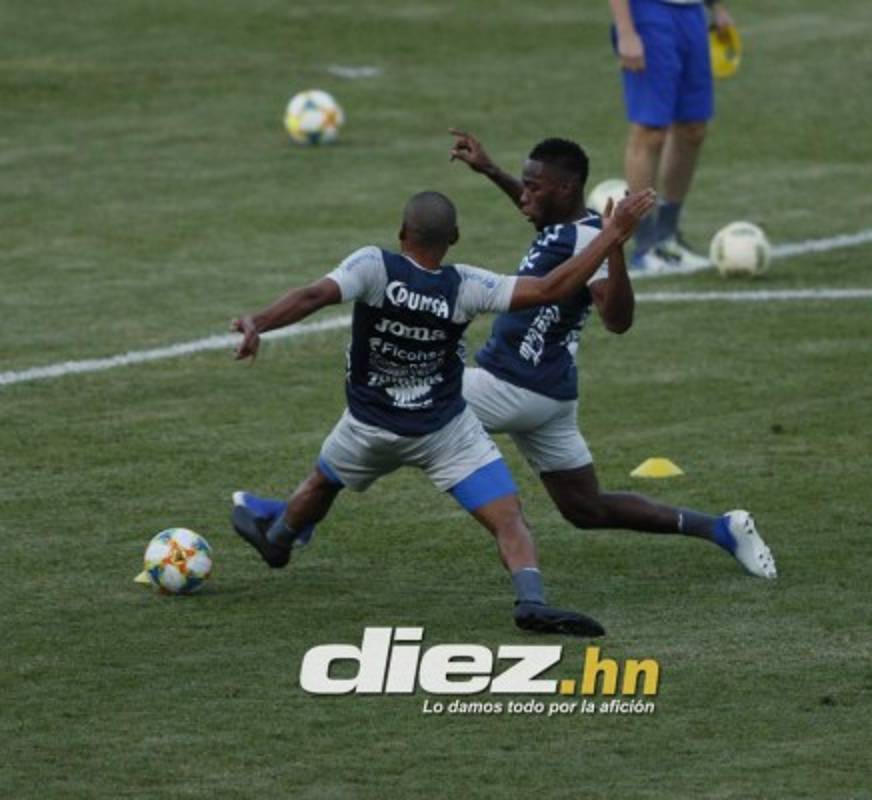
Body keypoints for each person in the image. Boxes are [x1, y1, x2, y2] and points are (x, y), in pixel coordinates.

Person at [227, 188, 656, 637]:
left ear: (401, 232)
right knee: (508, 518)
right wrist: (611, 237)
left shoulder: (374, 265)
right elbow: (553, 288)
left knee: (323, 480)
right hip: (445, 432)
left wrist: (259, 322)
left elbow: (314, 295)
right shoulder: (465, 286)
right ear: (454, 236)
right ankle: (531, 601)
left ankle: (278, 542)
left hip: (368, 426)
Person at [447, 130, 776, 579]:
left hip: (511, 385)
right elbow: (538, 210)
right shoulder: (566, 228)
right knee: (585, 508)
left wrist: (616, 247)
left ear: (565, 190)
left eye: (535, 186)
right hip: (548, 396)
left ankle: (316, 504)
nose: (525, 194)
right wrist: (489, 169)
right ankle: (721, 528)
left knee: (401, 403)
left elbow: (618, 319)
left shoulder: (591, 243)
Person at [607, 0, 734, 272]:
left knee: (693, 128)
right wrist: (626, 31)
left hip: (693, 13)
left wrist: (718, 7)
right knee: (650, 132)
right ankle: (644, 245)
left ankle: (668, 237)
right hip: (648, 13)